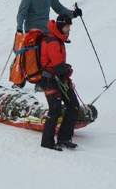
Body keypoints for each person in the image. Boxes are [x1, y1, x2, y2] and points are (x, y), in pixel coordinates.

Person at [39, 15, 79, 151]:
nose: (69, 29)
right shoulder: (52, 41)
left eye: (70, 27)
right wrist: (67, 69)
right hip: (49, 80)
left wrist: (66, 71)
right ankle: (47, 142)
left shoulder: (58, 39)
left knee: (73, 105)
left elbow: (59, 66)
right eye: (67, 26)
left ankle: (64, 138)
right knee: (55, 110)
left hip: (59, 79)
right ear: (61, 26)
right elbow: (57, 65)